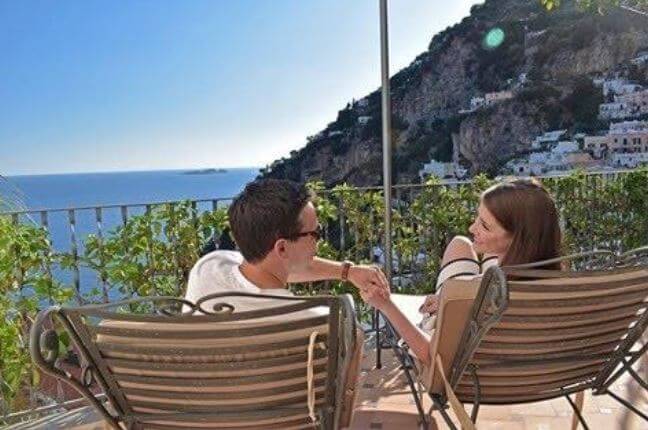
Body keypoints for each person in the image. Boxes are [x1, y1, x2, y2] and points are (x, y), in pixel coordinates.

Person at [360, 178, 562, 366]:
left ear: (518, 238)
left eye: (484, 226)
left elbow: (432, 355)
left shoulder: (475, 298)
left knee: (459, 244)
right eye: (478, 218)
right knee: (474, 250)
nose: (472, 227)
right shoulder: (565, 287)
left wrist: (385, 305)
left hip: (475, 382)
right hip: (538, 373)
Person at [185, 178, 389, 312]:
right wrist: (357, 338)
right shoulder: (317, 320)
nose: (319, 240)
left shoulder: (208, 266)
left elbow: (272, 268)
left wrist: (348, 272)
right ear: (281, 248)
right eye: (314, 234)